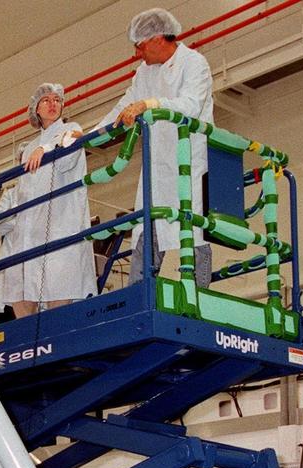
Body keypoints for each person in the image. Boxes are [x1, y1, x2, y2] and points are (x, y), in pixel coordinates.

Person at [91, 8, 214, 287]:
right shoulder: (144, 73)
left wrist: (151, 104)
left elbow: (191, 105)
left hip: (189, 165)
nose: (137, 53)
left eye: (140, 45)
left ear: (158, 38)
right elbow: (123, 108)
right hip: (157, 171)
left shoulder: (194, 63)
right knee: (148, 230)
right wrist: (87, 136)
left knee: (192, 234)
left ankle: (200, 296)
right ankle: (139, 295)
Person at [0, 82, 95, 318]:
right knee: (21, 287)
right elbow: (24, 194)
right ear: (36, 109)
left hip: (61, 225)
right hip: (30, 231)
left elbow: (72, 141)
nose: (53, 104)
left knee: (59, 283)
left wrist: (47, 148)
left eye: (57, 100)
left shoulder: (71, 129)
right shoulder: (28, 149)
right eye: (46, 100)